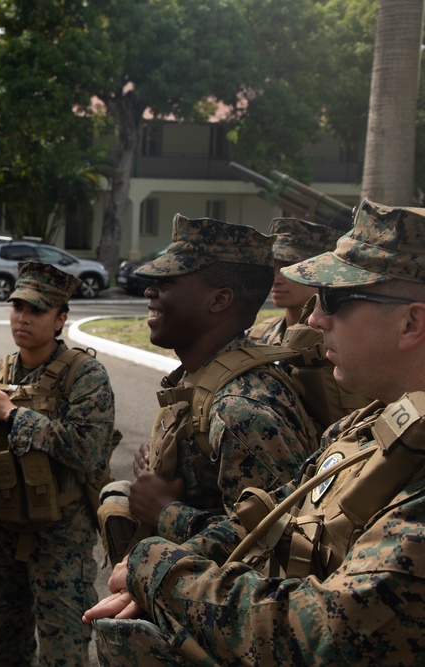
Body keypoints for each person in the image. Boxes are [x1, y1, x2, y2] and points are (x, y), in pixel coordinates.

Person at [86, 198, 425, 665]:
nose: (314, 319)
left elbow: (327, 636)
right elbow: (270, 524)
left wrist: (163, 570)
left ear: (411, 322)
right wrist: (161, 562)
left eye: (334, 299)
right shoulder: (369, 425)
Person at [0, 261, 115, 667]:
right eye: (17, 307)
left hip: (59, 539)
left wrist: (13, 415)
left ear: (60, 319)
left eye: (36, 310)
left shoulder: (85, 376)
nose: (23, 318)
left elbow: (89, 449)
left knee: (64, 652)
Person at [117, 216, 318, 555]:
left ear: (219, 300)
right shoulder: (203, 378)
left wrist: (165, 511)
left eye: (168, 280)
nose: (150, 290)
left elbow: (280, 543)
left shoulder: (241, 408)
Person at [247, 216, 368, 432]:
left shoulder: (347, 342)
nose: (277, 277)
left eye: (292, 266)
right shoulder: (256, 337)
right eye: (273, 266)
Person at [248, 217, 343, 344]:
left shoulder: (340, 343)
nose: (275, 280)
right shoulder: (256, 336)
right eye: (272, 267)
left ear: (325, 271)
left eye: (289, 268)